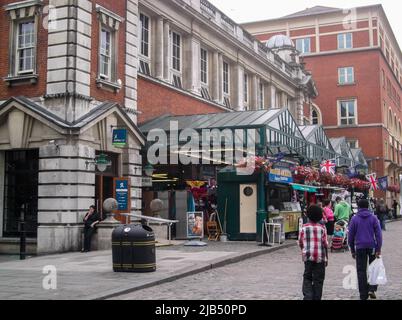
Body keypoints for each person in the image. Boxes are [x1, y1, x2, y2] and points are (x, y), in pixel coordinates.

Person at [348, 199, 383, 300]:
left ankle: (363, 294)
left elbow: (350, 236)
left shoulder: (354, 219)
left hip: (360, 247)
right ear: (368, 207)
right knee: (374, 268)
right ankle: (371, 288)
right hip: (372, 246)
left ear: (358, 207)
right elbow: (379, 235)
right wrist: (378, 248)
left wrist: (352, 250)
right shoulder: (373, 218)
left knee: (361, 271)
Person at [299, 205, 328, 300]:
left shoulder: (304, 228)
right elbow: (325, 244)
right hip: (320, 257)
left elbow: (301, 242)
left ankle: (308, 295)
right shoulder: (322, 228)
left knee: (307, 276)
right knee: (319, 279)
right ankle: (316, 297)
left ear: (308, 215)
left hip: (308, 256)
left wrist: (303, 250)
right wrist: (326, 258)